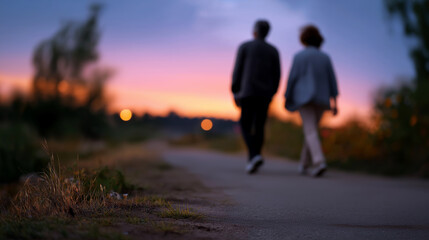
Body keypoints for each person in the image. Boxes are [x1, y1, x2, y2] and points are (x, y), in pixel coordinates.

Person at [285, 25, 339, 177]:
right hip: (322, 99)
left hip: (304, 99)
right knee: (311, 130)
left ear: (304, 39)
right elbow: (332, 81)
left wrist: (287, 97)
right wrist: (335, 103)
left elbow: (292, 79)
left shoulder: (299, 56)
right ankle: (303, 164)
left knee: (310, 130)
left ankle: (319, 161)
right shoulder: (325, 57)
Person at [232, 20, 281, 174]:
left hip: (247, 92)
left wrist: (235, 90)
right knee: (259, 126)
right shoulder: (273, 50)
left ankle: (254, 155)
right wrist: (272, 92)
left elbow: (237, 70)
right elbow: (277, 75)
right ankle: (254, 158)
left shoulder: (245, 47)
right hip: (265, 94)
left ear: (254, 31)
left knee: (245, 124)